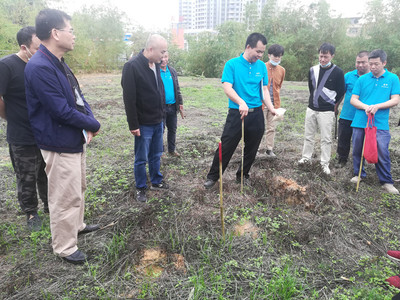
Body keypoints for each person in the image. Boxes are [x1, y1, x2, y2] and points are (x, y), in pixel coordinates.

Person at [25, 9, 101, 264]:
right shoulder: (39, 67)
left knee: (77, 188)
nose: (74, 35)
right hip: (58, 142)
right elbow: (60, 111)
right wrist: (93, 123)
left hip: (73, 139)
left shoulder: (58, 62)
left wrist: (90, 121)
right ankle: (65, 247)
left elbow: (78, 97)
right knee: (63, 196)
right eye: (71, 30)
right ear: (55, 33)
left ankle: (76, 225)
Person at [204, 32, 276, 189]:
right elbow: (227, 87)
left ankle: (243, 175)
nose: (260, 55)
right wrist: (240, 102)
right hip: (237, 113)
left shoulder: (261, 67)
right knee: (227, 145)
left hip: (256, 113)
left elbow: (264, 90)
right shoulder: (232, 64)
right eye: (258, 51)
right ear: (248, 47)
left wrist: (271, 108)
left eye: (262, 52)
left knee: (252, 147)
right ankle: (213, 177)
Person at [0, 26, 47, 231]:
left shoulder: (42, 64)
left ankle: (50, 206)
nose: (41, 52)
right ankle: (30, 213)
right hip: (21, 134)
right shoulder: (7, 66)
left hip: (45, 132)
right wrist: (9, 116)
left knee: (46, 174)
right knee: (26, 176)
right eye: (37, 48)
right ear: (24, 47)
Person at [121, 34, 169, 203]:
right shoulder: (132, 67)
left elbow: (159, 91)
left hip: (158, 120)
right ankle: (141, 187)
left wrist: (162, 115)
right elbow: (129, 99)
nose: (164, 55)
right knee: (141, 158)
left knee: (157, 154)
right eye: (162, 51)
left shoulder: (156, 65)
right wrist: (133, 124)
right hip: (143, 123)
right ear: (150, 49)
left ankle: (156, 181)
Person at [350, 49, 400, 194]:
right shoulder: (362, 79)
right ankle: (358, 174)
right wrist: (366, 107)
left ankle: (386, 181)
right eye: (370, 64)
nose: (372, 67)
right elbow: (354, 99)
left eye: (376, 64)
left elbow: (395, 99)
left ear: (384, 63)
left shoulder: (392, 79)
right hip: (360, 121)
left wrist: (377, 106)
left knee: (382, 150)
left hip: (380, 123)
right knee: (357, 148)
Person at [298, 43, 345, 175]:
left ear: (332, 56)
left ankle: (324, 163)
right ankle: (306, 158)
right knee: (308, 135)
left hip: (327, 111)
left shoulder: (338, 72)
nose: (323, 59)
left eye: (326, 57)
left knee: (326, 138)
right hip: (311, 108)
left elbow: (341, 92)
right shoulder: (312, 70)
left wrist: (334, 107)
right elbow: (311, 88)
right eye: (321, 56)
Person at [334, 51, 370, 168]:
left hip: (363, 116)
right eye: (358, 62)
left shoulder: (372, 78)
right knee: (343, 139)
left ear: (369, 62)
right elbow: (341, 93)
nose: (360, 65)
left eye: (363, 62)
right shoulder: (348, 76)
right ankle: (342, 159)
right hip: (347, 114)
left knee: (360, 142)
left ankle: (359, 164)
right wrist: (335, 106)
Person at [160, 52, 184, 157]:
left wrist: (180, 103)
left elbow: (177, 89)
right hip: (161, 107)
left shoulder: (172, 71)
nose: (163, 59)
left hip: (173, 106)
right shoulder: (155, 71)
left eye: (165, 57)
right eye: (161, 57)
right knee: (160, 130)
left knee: (172, 129)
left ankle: (171, 150)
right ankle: (160, 152)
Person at [264, 44, 285, 158]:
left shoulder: (282, 70)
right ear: (269, 55)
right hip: (261, 103)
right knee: (257, 128)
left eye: (279, 56)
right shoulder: (262, 67)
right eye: (275, 56)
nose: (277, 58)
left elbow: (279, 86)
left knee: (272, 128)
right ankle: (254, 148)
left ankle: (269, 149)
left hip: (275, 104)